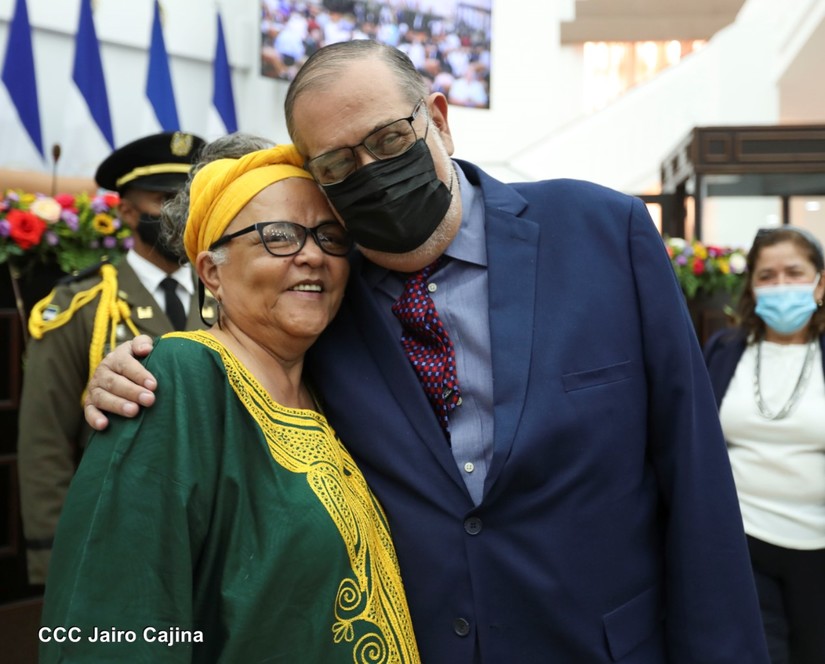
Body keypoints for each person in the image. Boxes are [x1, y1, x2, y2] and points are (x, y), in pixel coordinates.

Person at [84, 40, 770, 662]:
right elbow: (236, 360)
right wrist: (135, 377)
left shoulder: (600, 232)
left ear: (438, 118)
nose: (371, 171)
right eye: (336, 163)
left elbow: (694, 474)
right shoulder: (322, 295)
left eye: (388, 138)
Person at [40, 143, 420, 662]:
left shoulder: (338, 382)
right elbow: (112, 622)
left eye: (330, 237)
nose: (313, 255)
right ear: (211, 272)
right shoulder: (176, 380)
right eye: (278, 235)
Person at [16, 131, 210, 584]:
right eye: (164, 199)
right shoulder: (82, 305)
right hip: (120, 539)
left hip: (215, 536)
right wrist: (56, 558)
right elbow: (45, 440)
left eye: (188, 198)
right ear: (125, 211)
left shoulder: (226, 294)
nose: (179, 212)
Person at [704, 226, 825, 664]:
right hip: (742, 542)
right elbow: (700, 440)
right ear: (752, 288)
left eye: (794, 273)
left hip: (816, 546)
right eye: (767, 276)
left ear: (820, 284)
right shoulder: (724, 350)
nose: (780, 286)